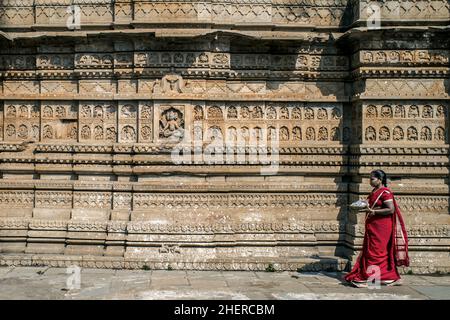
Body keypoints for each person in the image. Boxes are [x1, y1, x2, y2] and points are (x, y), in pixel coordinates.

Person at [345, 169, 410, 288]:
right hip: (373, 226)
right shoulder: (375, 191)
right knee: (372, 251)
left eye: (372, 179)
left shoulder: (386, 193)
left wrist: (373, 211)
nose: (370, 181)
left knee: (376, 252)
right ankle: (388, 277)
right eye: (370, 178)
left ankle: (374, 279)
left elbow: (391, 209)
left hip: (382, 228)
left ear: (380, 180)